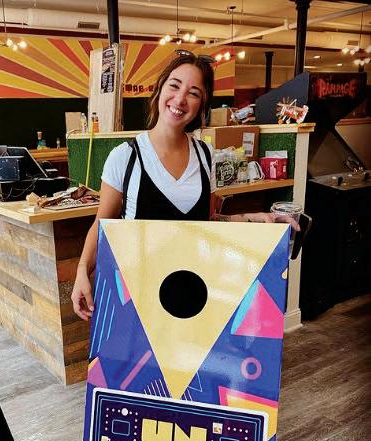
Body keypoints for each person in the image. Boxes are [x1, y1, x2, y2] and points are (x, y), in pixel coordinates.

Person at [71, 50, 297, 321]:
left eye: (193, 93)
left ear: (202, 104)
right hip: (138, 298)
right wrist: (82, 271)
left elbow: (208, 221)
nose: (180, 99)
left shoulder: (205, 155)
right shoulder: (125, 157)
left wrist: (259, 219)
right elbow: (101, 226)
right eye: (175, 85)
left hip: (193, 297)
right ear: (159, 89)